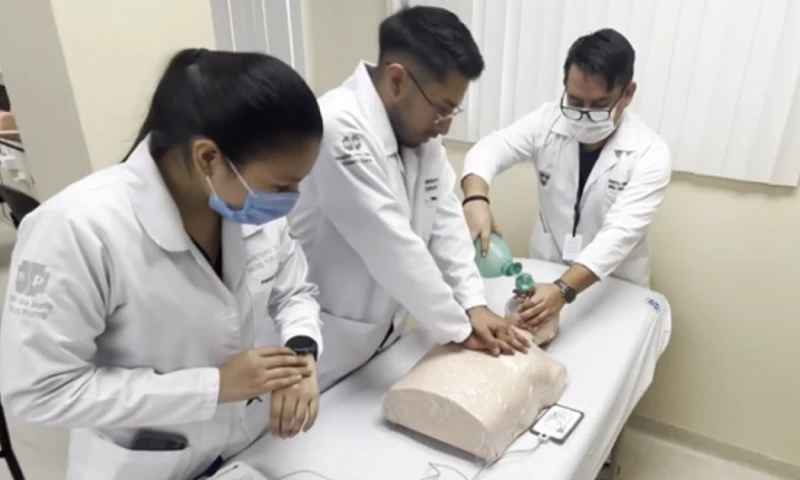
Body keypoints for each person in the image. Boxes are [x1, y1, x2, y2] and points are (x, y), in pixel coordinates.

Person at [0, 49, 325, 480]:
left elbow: (294, 291)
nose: (290, 201)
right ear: (207, 157)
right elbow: (38, 392)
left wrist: (301, 353)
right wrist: (213, 386)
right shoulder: (77, 228)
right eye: (281, 186)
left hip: (234, 444)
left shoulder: (244, 206)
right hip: (138, 463)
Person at [289, 5, 529, 392]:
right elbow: (391, 245)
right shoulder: (337, 126)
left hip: (378, 341)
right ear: (397, 80)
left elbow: (446, 221)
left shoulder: (417, 135)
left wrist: (473, 303)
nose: (446, 126)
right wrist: (461, 327)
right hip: (322, 344)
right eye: (442, 109)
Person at [461, 28, 672, 332]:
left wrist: (562, 290)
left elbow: (619, 235)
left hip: (611, 284)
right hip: (548, 266)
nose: (584, 114)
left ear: (627, 94)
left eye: (599, 106)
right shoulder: (547, 121)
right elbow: (492, 148)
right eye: (574, 101)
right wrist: (475, 198)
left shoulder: (650, 153)